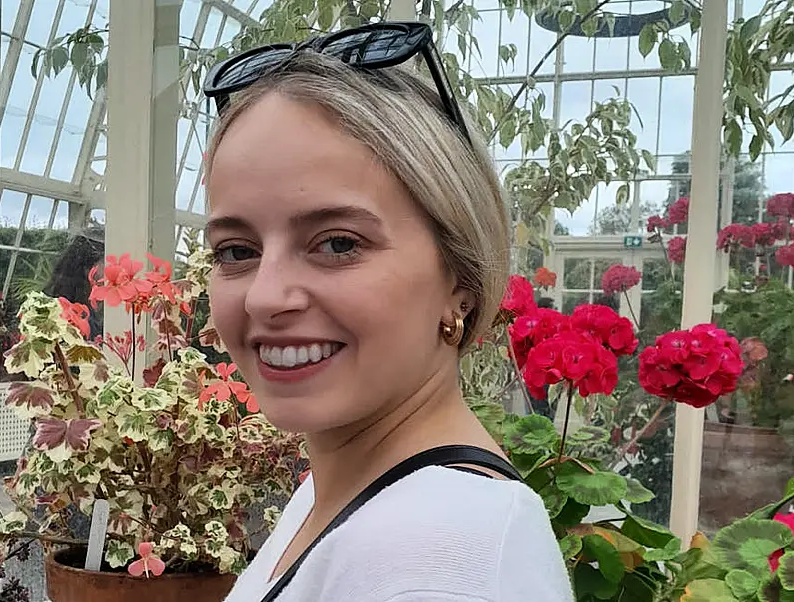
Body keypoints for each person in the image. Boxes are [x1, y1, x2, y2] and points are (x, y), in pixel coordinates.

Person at [201, 22, 571, 602]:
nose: (264, 296)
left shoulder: (436, 561)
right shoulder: (352, 487)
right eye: (237, 251)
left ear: (462, 279)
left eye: (339, 243)